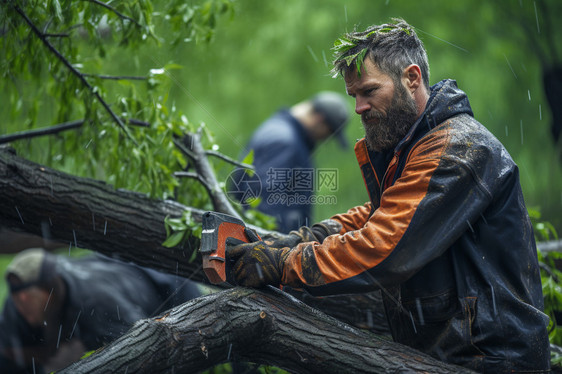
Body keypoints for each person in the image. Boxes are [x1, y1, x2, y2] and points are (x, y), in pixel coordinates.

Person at [226, 19, 550, 372]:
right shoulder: (416, 146)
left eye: (369, 91)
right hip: (454, 355)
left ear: (411, 78)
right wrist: (298, 240)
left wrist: (284, 264)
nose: (358, 108)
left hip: (490, 361)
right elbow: (382, 213)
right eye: (354, 96)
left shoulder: (458, 148)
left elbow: (385, 245)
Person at [0, 248, 201, 373]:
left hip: (170, 287)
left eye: (27, 297)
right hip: (112, 264)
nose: (21, 302)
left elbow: (150, 350)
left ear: (50, 292)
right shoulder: (17, 308)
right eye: (17, 298)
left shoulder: (97, 303)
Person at [230, 91, 350, 233]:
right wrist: (272, 249)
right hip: (268, 250)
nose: (324, 139)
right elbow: (265, 206)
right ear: (320, 120)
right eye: (329, 133)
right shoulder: (285, 141)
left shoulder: (283, 133)